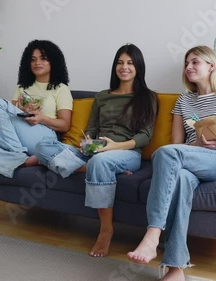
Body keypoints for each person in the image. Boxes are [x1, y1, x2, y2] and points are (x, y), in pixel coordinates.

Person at [127, 45, 216, 281]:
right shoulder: (183, 101)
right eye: (186, 63)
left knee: (165, 154)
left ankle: (152, 234)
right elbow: (177, 146)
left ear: (211, 66)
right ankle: (176, 269)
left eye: (195, 62)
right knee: (181, 178)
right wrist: (196, 144)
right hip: (190, 160)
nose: (188, 67)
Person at [35, 43, 158, 258]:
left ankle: (105, 230)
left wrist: (114, 147)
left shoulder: (148, 97)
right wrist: (88, 140)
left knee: (101, 162)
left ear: (138, 67)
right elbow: (91, 127)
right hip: (96, 150)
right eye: (120, 63)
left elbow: (144, 137)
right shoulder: (102, 96)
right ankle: (98, 168)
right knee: (42, 147)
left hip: (127, 153)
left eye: (130, 63)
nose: (124, 67)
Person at [0, 39, 72, 178]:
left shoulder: (61, 89)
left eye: (43, 59)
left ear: (53, 61)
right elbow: (6, 117)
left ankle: (15, 154)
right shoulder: (22, 87)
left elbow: (65, 125)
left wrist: (41, 118)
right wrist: (20, 108)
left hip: (43, 137)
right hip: (17, 135)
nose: (37, 63)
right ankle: (21, 160)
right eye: (33, 59)